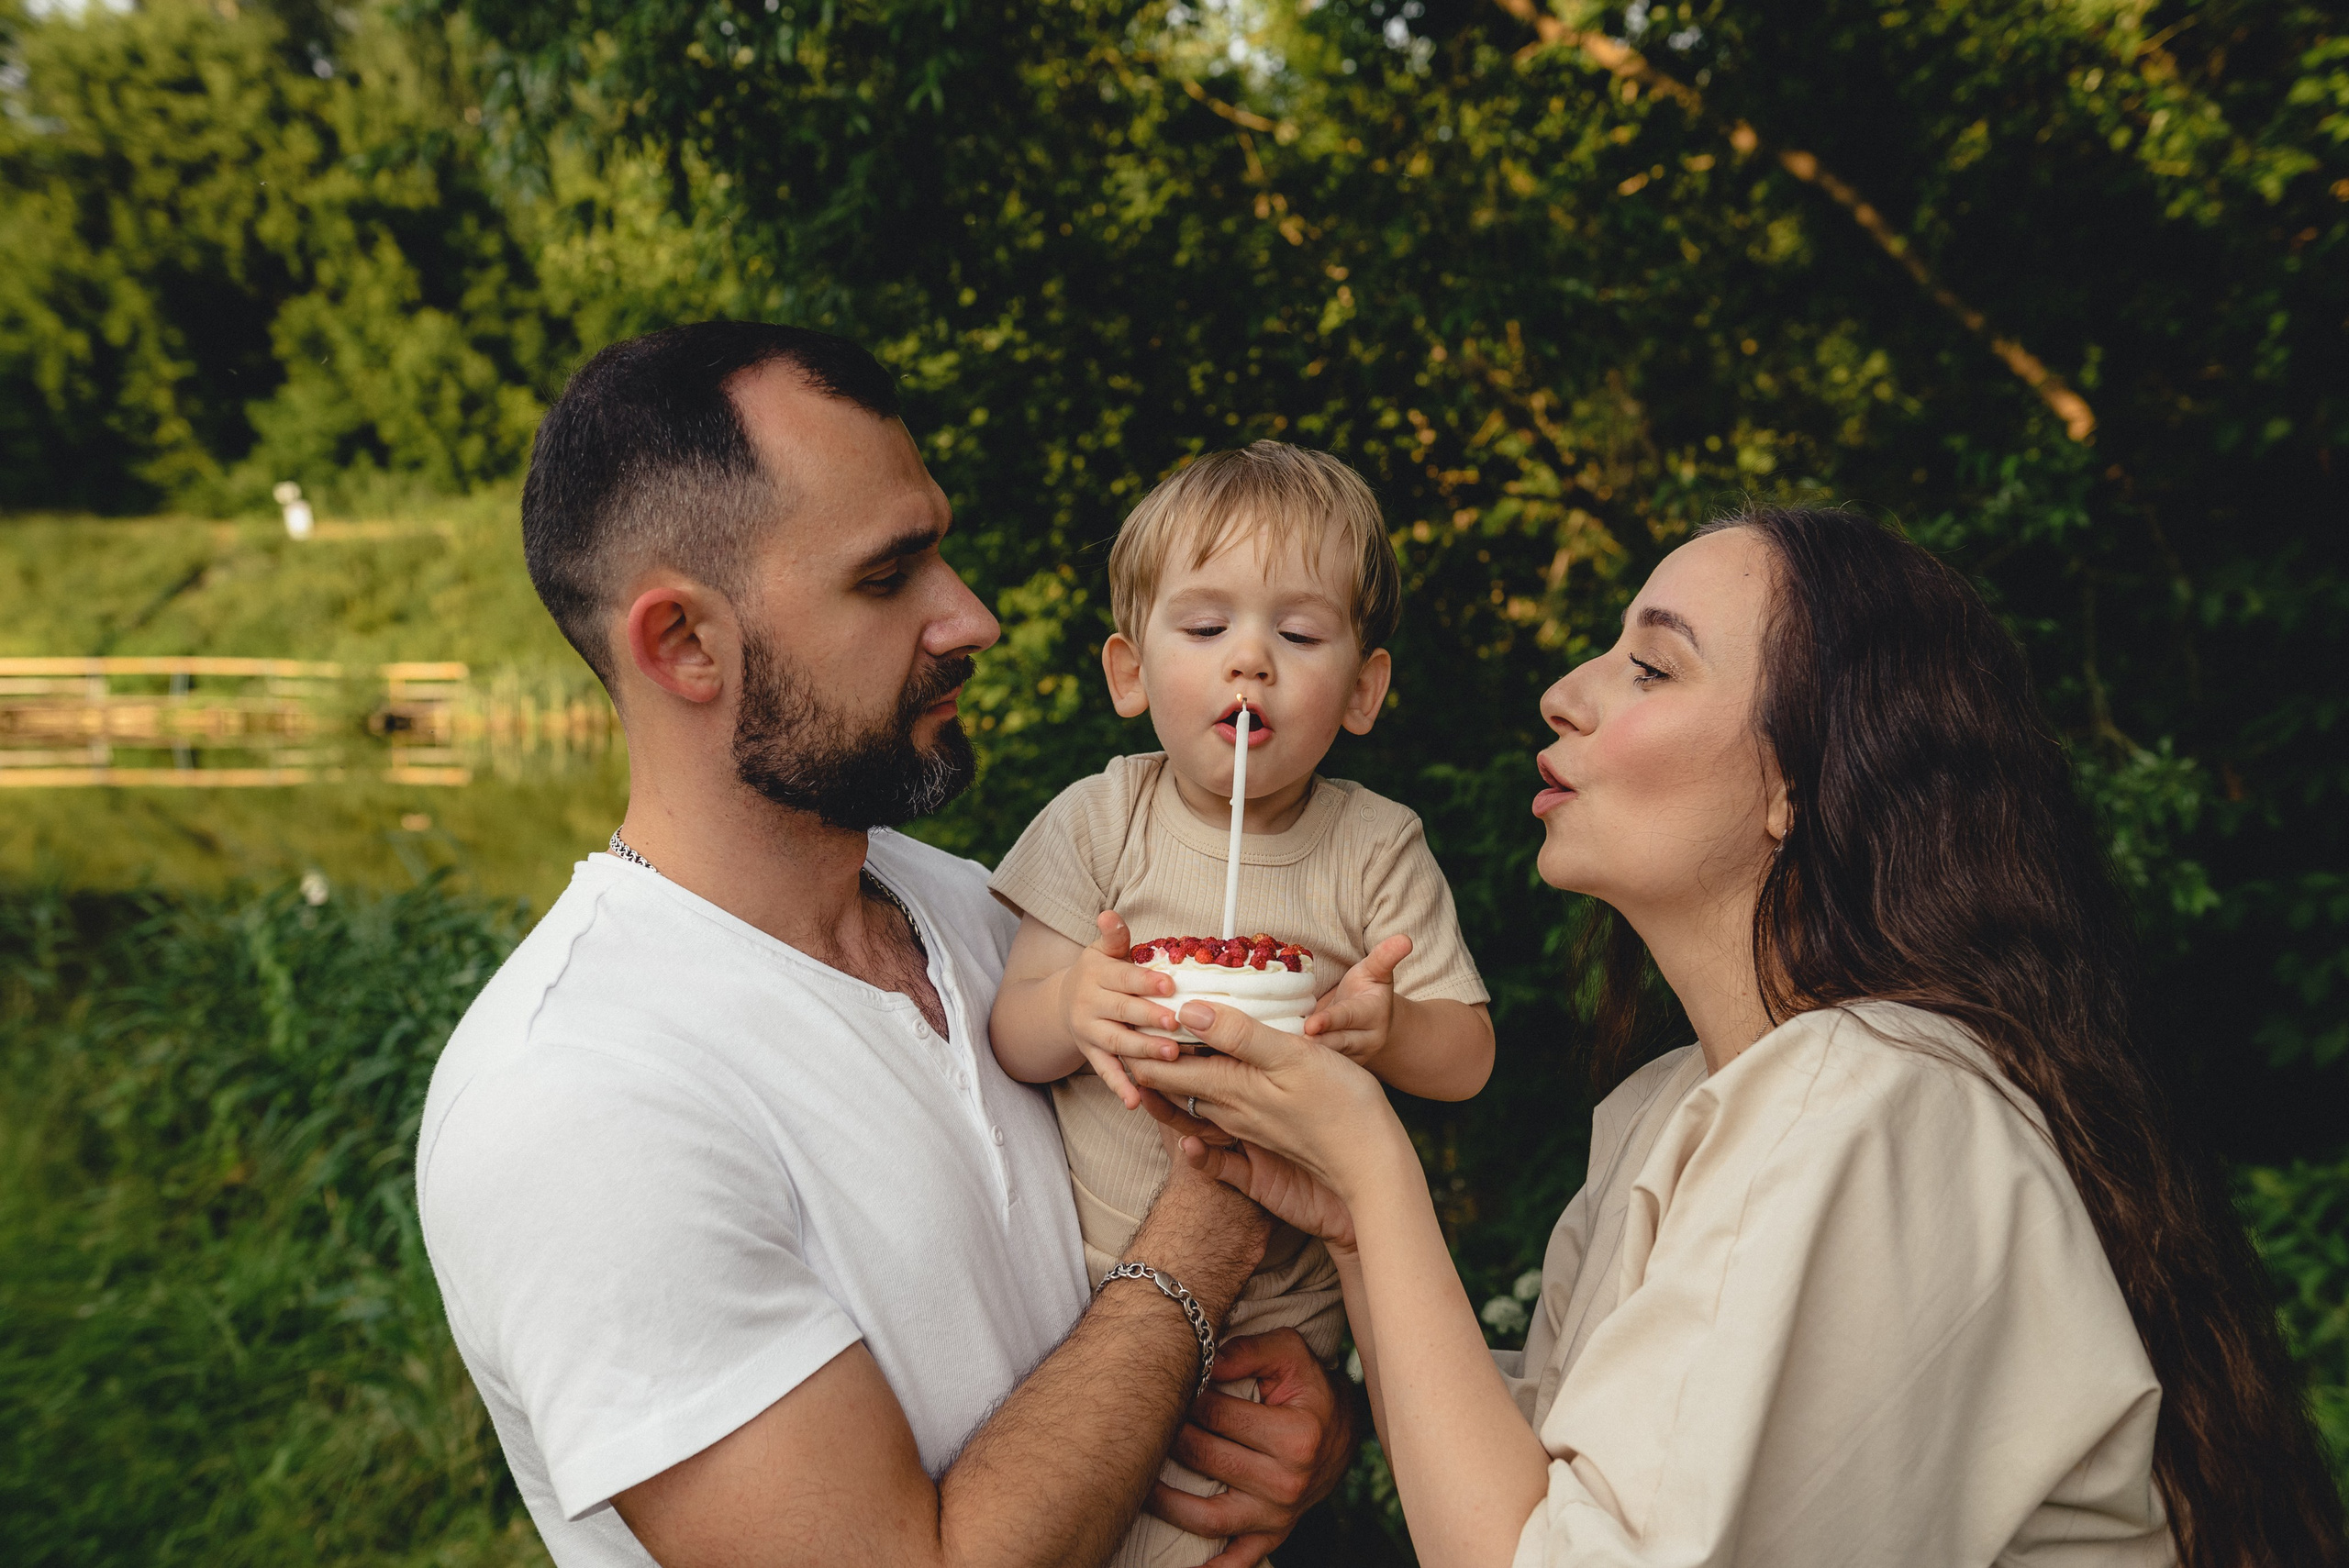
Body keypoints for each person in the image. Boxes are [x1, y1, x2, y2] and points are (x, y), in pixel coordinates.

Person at [1129, 508, 2348, 1567]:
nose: (1567, 691)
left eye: (1652, 669)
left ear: (1798, 784)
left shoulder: (1876, 1104)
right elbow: (1564, 1486)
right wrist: (1351, 1233)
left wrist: (1375, 1176)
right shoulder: (1683, 1103)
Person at [414, 322, 1353, 1568]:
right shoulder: (577, 1100)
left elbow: (1127, 1368)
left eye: (943, 555)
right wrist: (1209, 1232)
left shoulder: (989, 918)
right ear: (683, 644)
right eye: (887, 576)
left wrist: (1306, 1430)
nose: (974, 619)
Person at [986, 441, 1497, 1567]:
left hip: (1282, 1323)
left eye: (1300, 635)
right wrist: (1075, 999)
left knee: (1216, 1534)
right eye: (1206, 628)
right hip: (1083, 1302)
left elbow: (1465, 1057)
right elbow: (1012, 1035)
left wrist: (1390, 1027)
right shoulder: (1099, 820)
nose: (1250, 665)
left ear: (1362, 689)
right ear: (1129, 671)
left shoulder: (1374, 847)